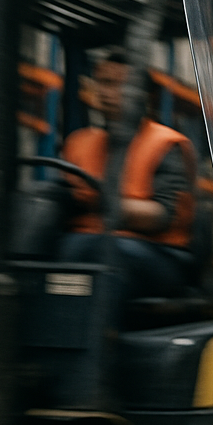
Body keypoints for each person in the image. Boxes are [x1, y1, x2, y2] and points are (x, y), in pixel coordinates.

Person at [58, 50, 197, 305]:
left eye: (115, 84)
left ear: (141, 94)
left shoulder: (165, 144)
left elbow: (164, 216)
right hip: (91, 242)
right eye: (101, 82)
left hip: (157, 253)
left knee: (95, 251)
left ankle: (95, 338)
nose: (104, 91)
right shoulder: (79, 142)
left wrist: (103, 203)